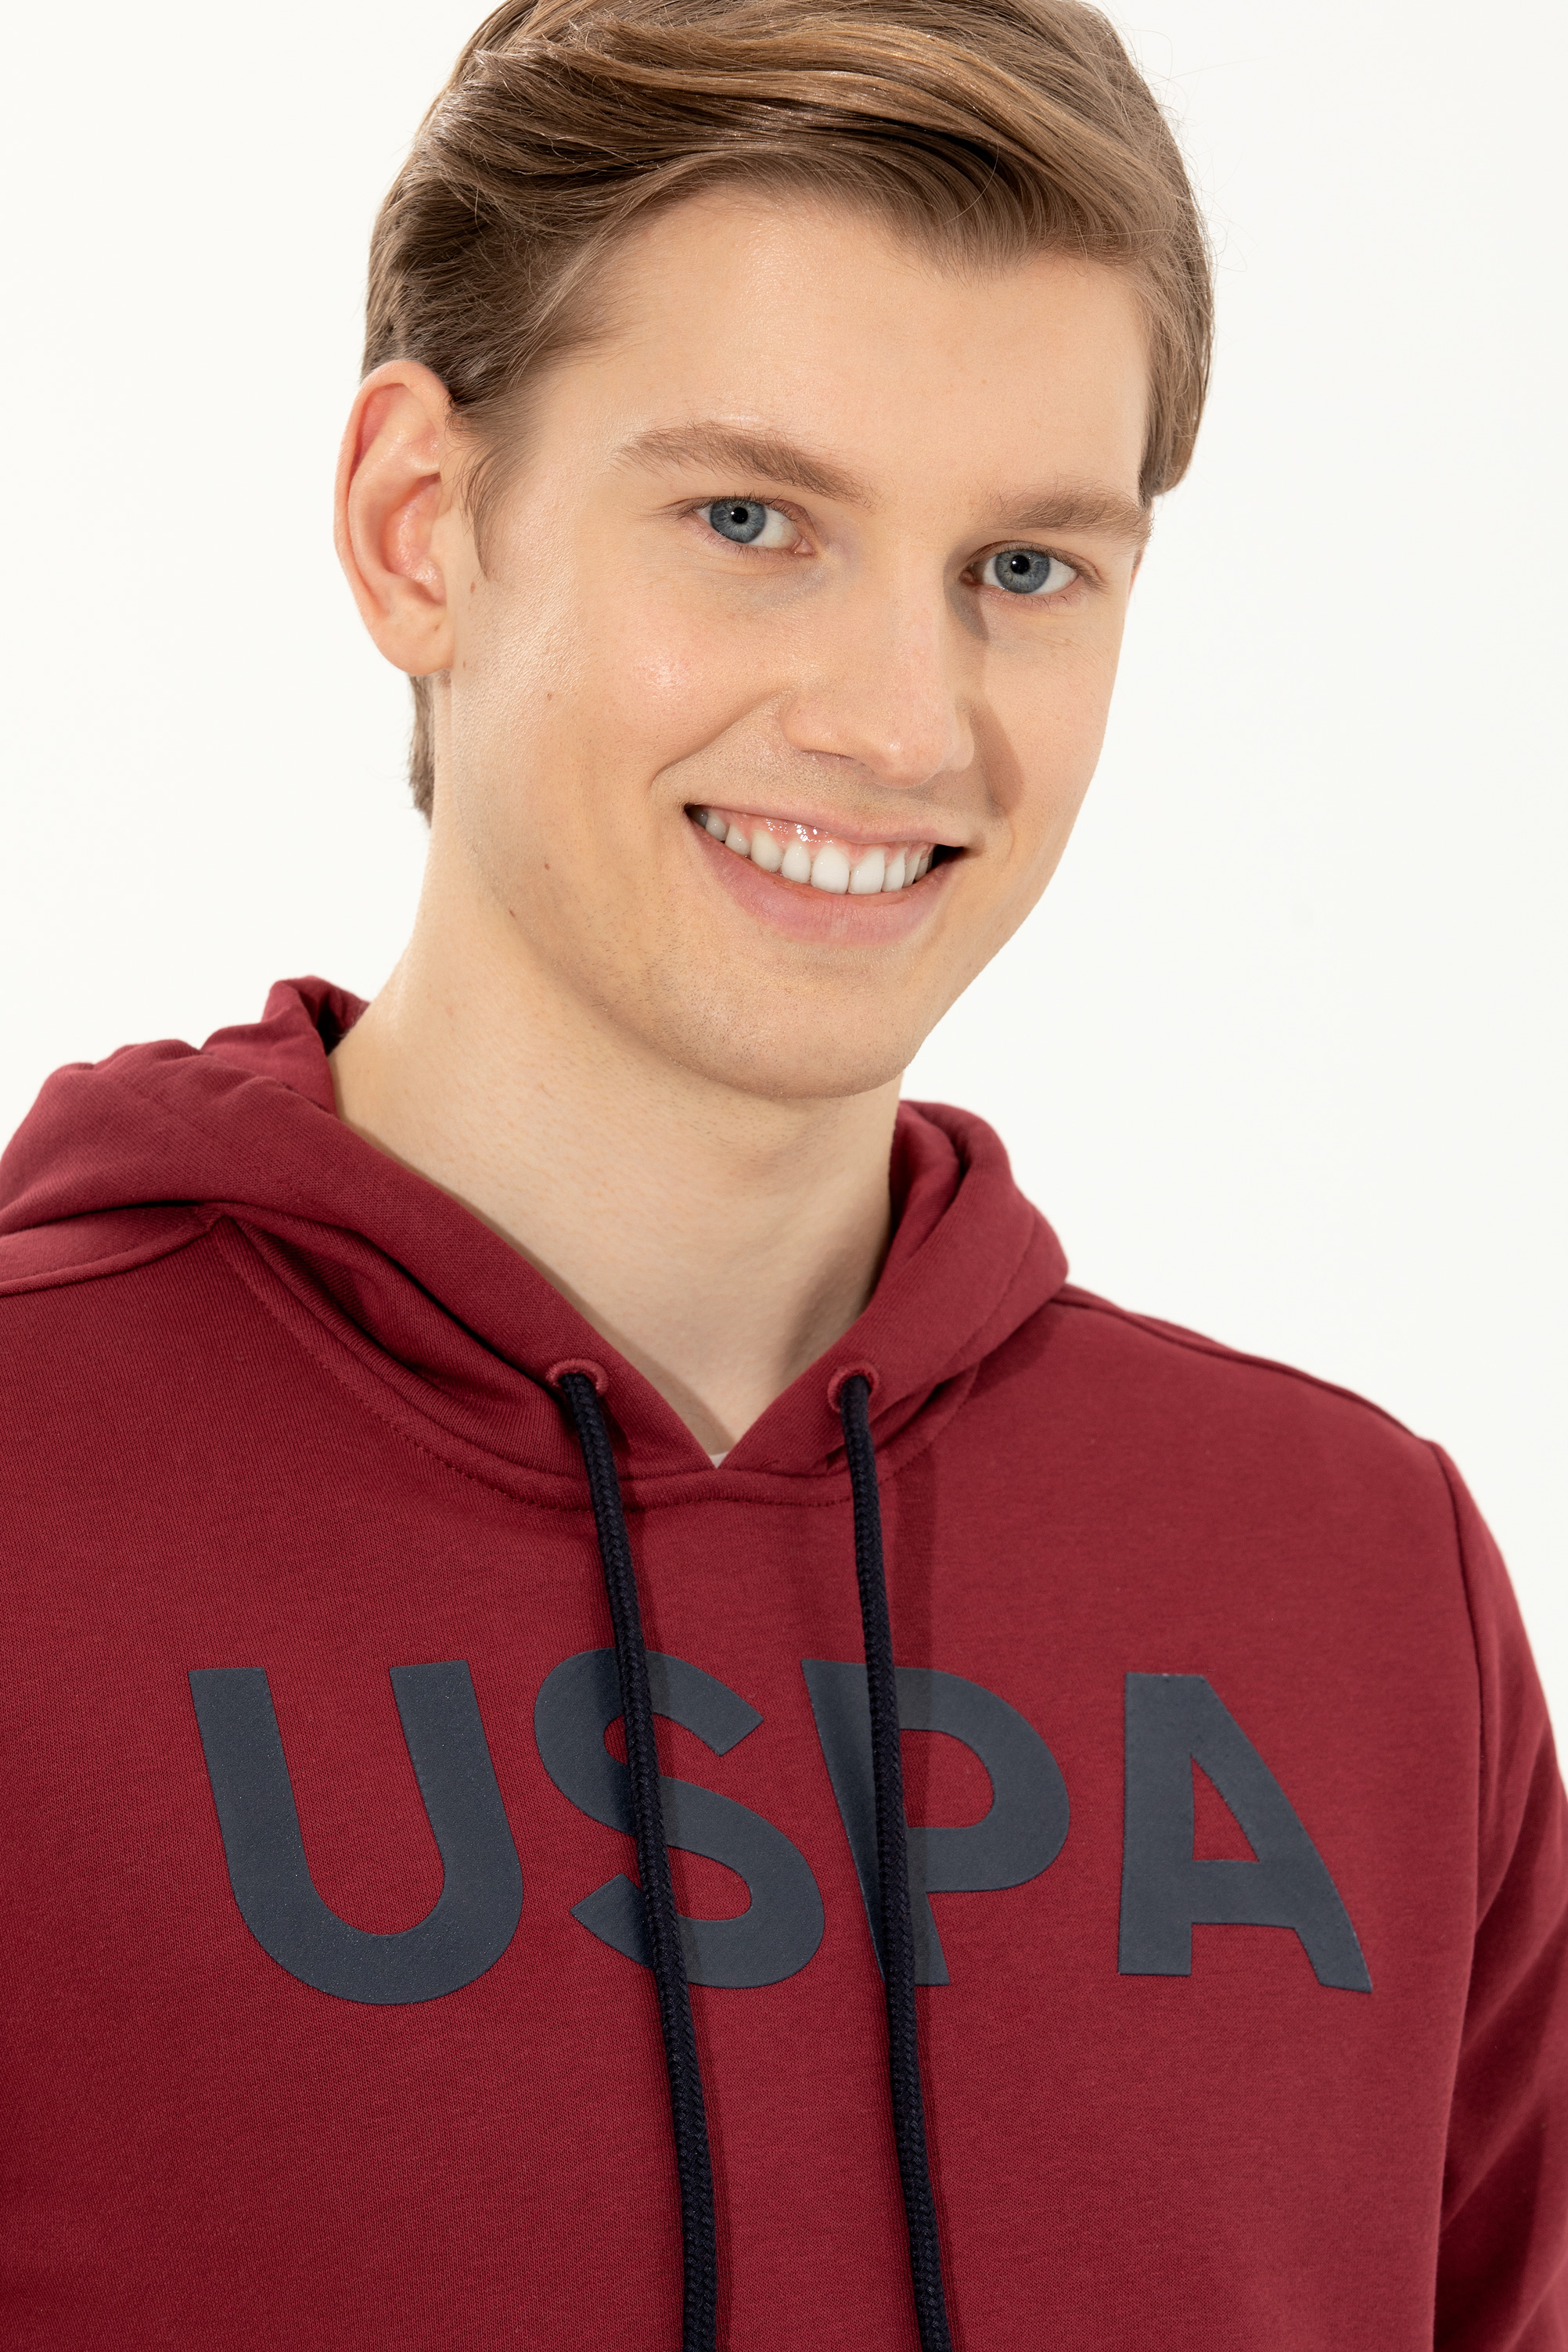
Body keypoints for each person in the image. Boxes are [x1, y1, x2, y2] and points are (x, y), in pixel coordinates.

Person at [1, 0, 1563, 2343]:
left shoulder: (1358, 1587)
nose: (904, 724)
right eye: (750, 523)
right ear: (419, 529)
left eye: (1022, 567)